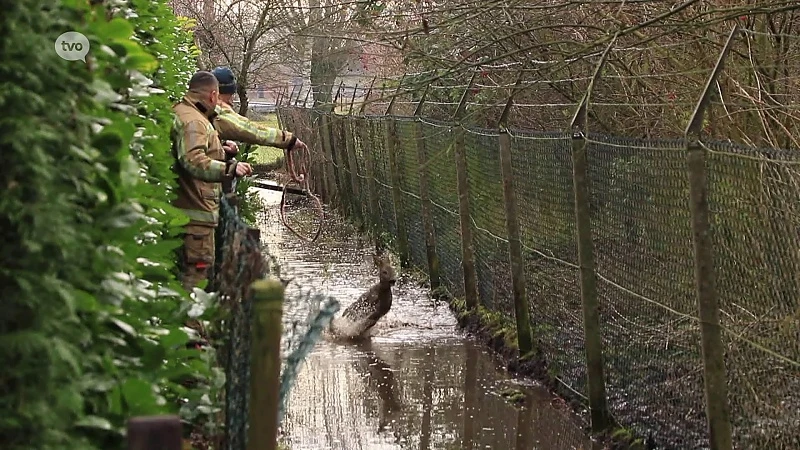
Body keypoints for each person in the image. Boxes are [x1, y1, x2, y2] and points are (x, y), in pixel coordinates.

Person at [170, 70, 253, 291]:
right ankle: (194, 325)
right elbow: (193, 160)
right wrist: (229, 168)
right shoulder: (195, 121)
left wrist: (223, 153)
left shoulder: (186, 113)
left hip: (192, 216)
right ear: (213, 95)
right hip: (196, 220)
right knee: (195, 283)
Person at [210, 66, 308, 163]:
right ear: (216, 93)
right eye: (230, 95)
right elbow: (249, 130)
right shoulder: (216, 111)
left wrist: (222, 146)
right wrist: (288, 140)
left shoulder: (200, 107)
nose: (232, 100)